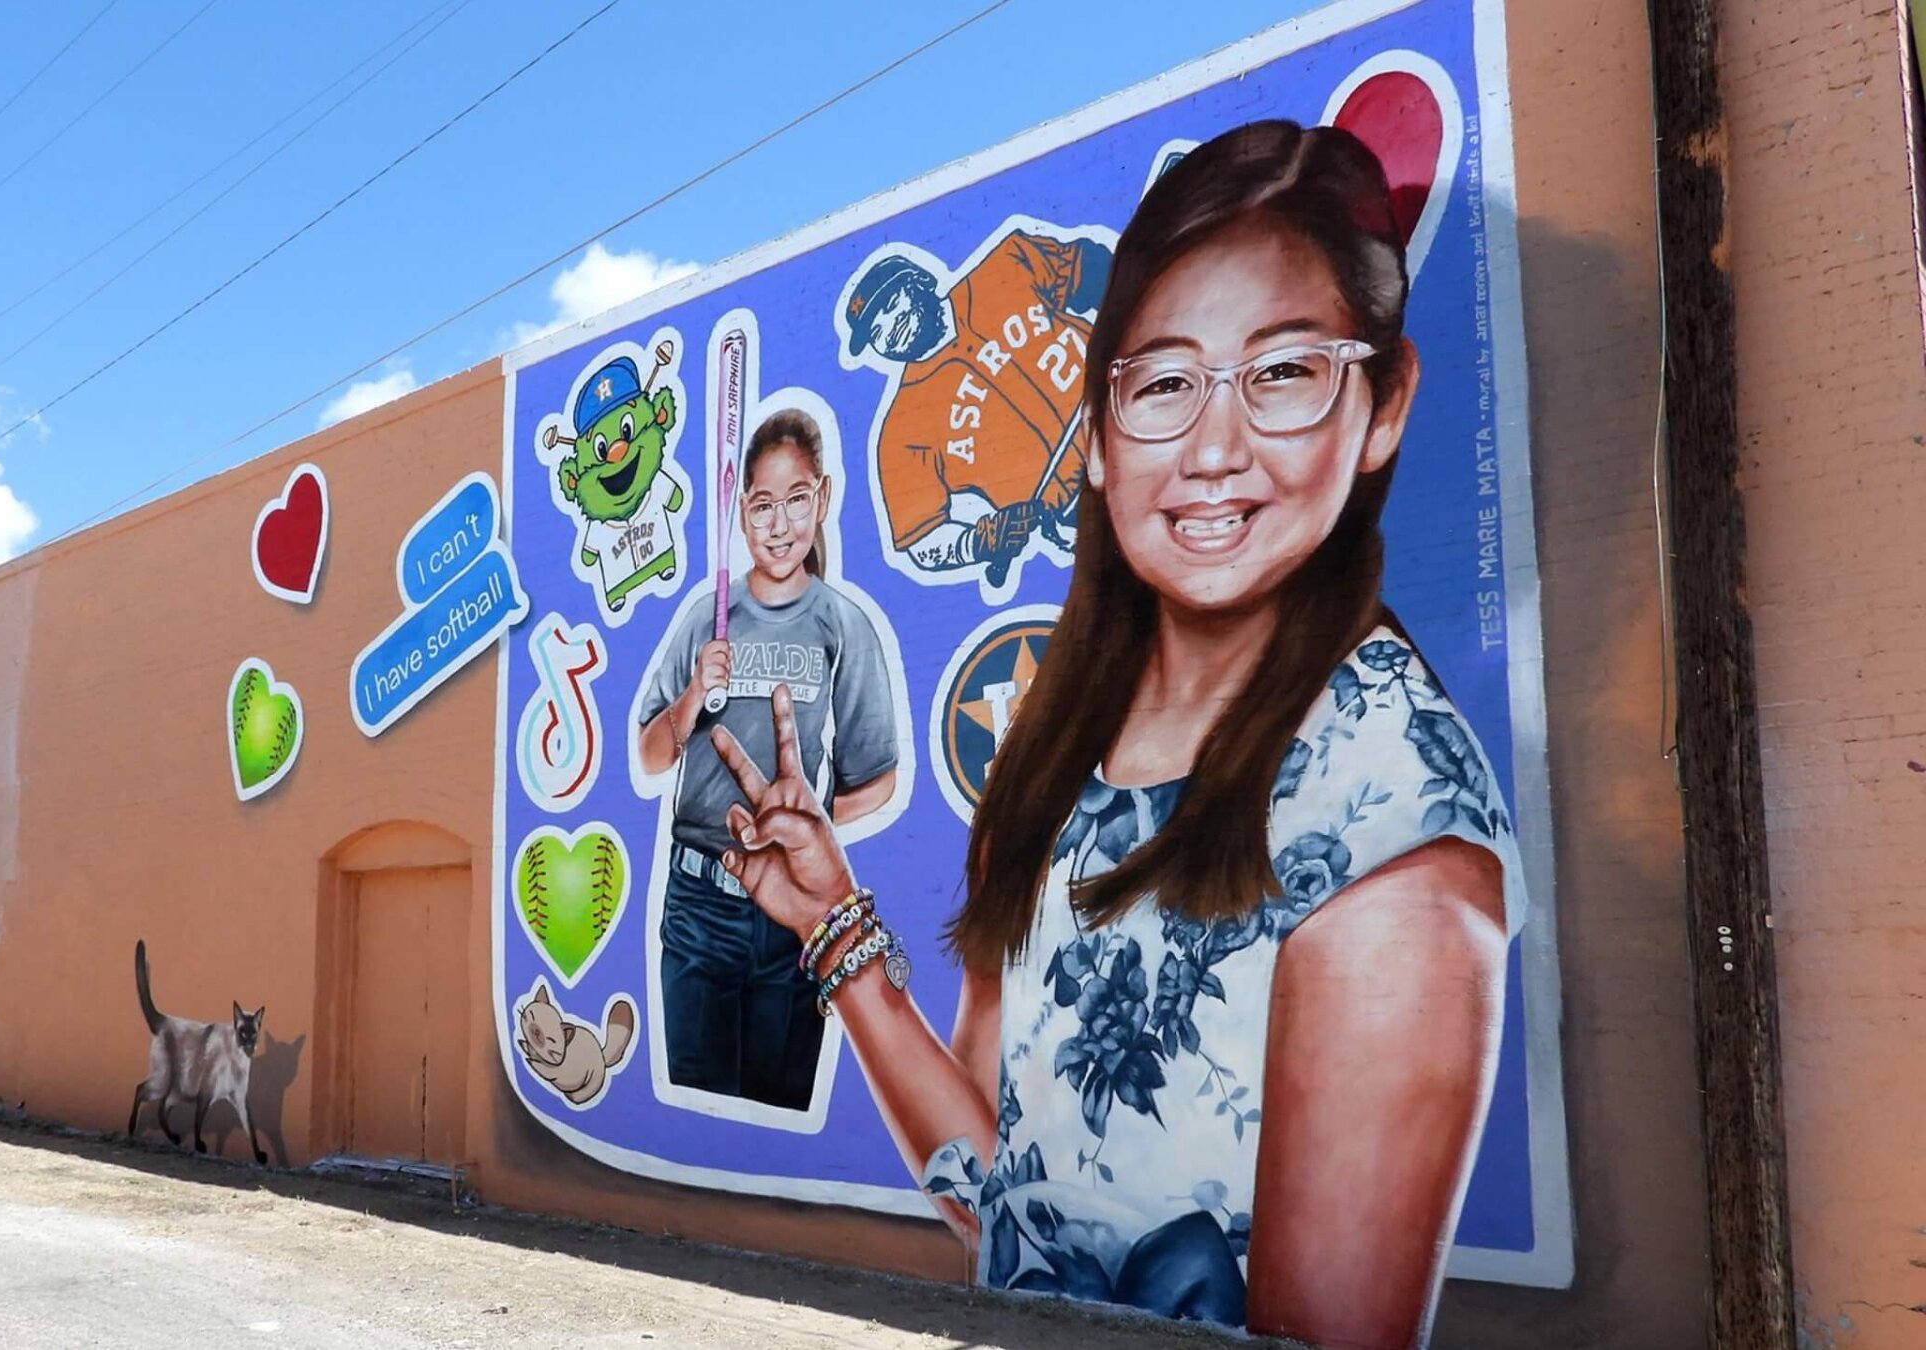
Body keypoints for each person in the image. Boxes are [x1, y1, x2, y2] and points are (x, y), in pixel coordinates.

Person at [704, 121, 1520, 1349]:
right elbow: (1003, 1207)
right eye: (1165, 383)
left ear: (1385, 403)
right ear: (1095, 438)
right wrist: (830, 923)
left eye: (1286, 371)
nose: (1211, 449)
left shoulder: (1387, 830)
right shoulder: (1054, 763)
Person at [635, 407, 902, 1110]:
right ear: (741, 513)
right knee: (697, 1114)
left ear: (823, 497)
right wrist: (695, 692)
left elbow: (877, 782)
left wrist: (798, 825)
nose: (779, 524)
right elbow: (651, 752)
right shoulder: (706, 616)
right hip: (699, 903)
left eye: (795, 500)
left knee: (775, 1108)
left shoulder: (843, 625)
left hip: (793, 909)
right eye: (761, 505)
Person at [842, 229, 1112, 588]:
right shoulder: (900, 434)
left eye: (891, 306)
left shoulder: (1008, 262)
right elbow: (921, 540)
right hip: (1077, 516)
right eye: (876, 332)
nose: (890, 330)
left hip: (1131, 421)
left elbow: (1096, 270)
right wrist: (979, 542)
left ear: (921, 282)